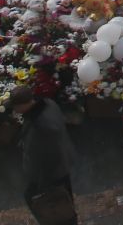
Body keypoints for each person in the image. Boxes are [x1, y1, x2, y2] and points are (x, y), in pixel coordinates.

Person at [19, 95, 78, 225]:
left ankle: (62, 219)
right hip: (62, 163)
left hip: (49, 173)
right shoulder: (49, 104)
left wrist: (43, 182)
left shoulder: (41, 126)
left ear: (23, 104)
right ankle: (68, 217)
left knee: (39, 198)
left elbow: (49, 154)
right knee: (64, 195)